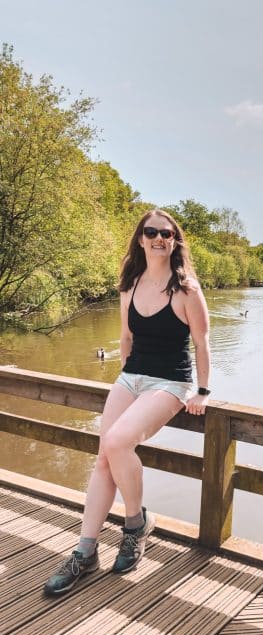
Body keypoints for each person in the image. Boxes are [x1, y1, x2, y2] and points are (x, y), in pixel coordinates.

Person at [44, 209, 211, 596]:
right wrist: (125, 379)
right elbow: (125, 337)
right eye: (151, 232)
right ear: (140, 239)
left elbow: (202, 343)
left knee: (117, 442)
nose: (159, 239)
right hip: (130, 378)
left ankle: (135, 524)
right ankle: (85, 552)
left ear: (175, 240)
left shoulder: (187, 289)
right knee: (104, 457)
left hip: (171, 382)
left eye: (166, 233)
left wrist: (203, 391)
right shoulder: (130, 284)